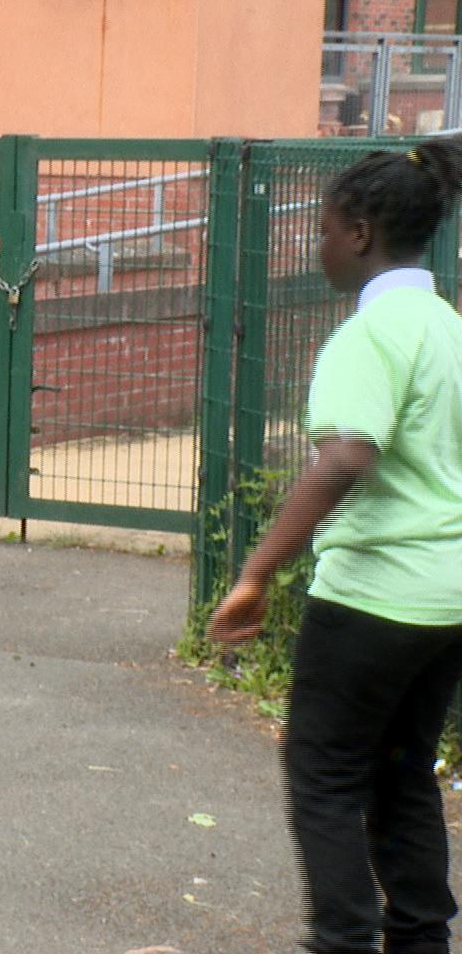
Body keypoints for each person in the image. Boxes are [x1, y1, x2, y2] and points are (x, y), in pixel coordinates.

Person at [208, 140, 462, 954]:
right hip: (449, 598)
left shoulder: (371, 335)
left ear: (357, 234)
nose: (313, 246)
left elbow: (348, 453)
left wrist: (256, 570)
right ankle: (422, 939)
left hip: (375, 595)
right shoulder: (448, 328)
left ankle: (343, 941)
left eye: (320, 229)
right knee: (403, 771)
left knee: (323, 776)